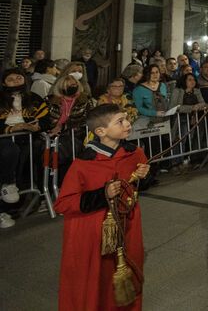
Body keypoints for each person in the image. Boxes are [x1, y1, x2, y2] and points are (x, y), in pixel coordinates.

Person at [54, 103, 150, 311]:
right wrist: (102, 194)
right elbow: (63, 203)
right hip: (93, 234)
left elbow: (135, 185)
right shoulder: (84, 163)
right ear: (100, 131)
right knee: (97, 281)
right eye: (120, 121)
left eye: (126, 119)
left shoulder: (135, 153)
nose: (127, 124)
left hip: (128, 227)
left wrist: (143, 176)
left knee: (126, 279)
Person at [0, 68, 49, 216]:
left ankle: (21, 201)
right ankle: (8, 184)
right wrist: (12, 128)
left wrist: (36, 126)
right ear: (4, 83)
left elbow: (45, 120)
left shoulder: (35, 98)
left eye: (18, 78)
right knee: (10, 151)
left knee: (27, 161)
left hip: (28, 138)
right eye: (11, 79)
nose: (15, 81)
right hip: (5, 138)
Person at [132, 64, 170, 129]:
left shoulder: (163, 85)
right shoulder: (138, 89)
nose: (155, 75)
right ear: (147, 74)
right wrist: (155, 113)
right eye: (152, 73)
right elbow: (139, 108)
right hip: (147, 123)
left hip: (164, 120)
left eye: (157, 72)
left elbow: (165, 101)